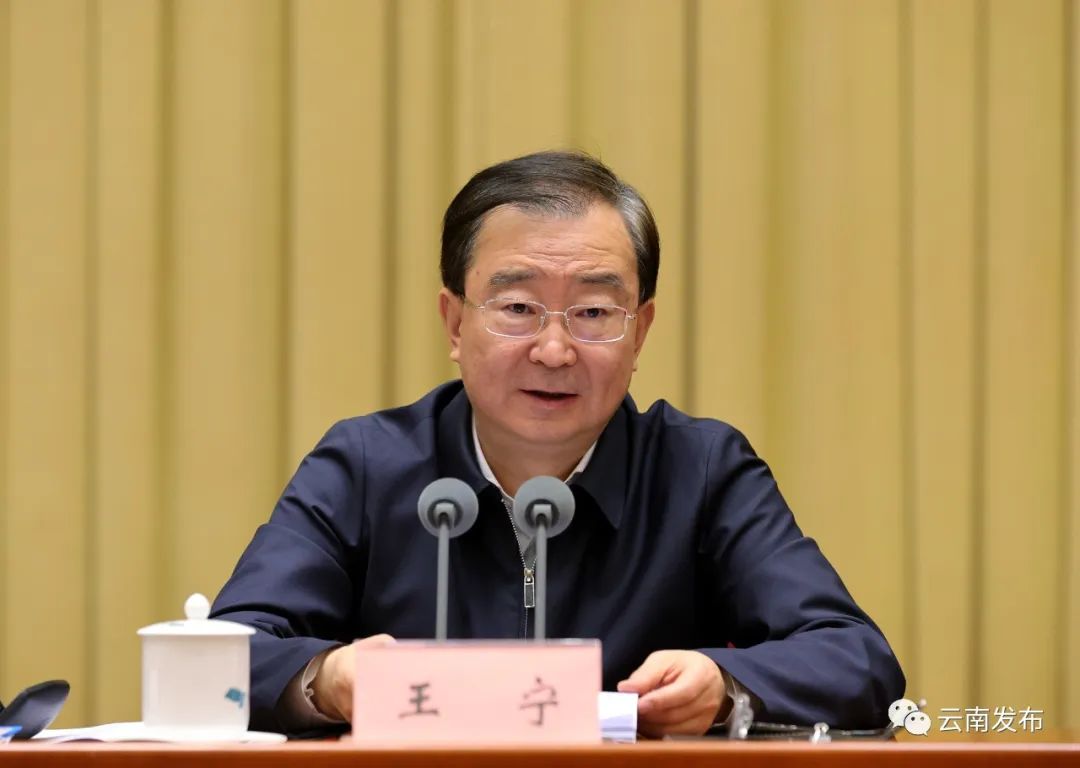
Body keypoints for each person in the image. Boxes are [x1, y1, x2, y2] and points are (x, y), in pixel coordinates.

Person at [211, 150, 905, 737]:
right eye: (517, 308)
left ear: (640, 331)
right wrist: (326, 678)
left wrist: (725, 686)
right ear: (454, 323)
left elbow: (857, 660)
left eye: (594, 311)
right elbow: (227, 656)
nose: (553, 349)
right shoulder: (366, 464)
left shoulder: (700, 471)